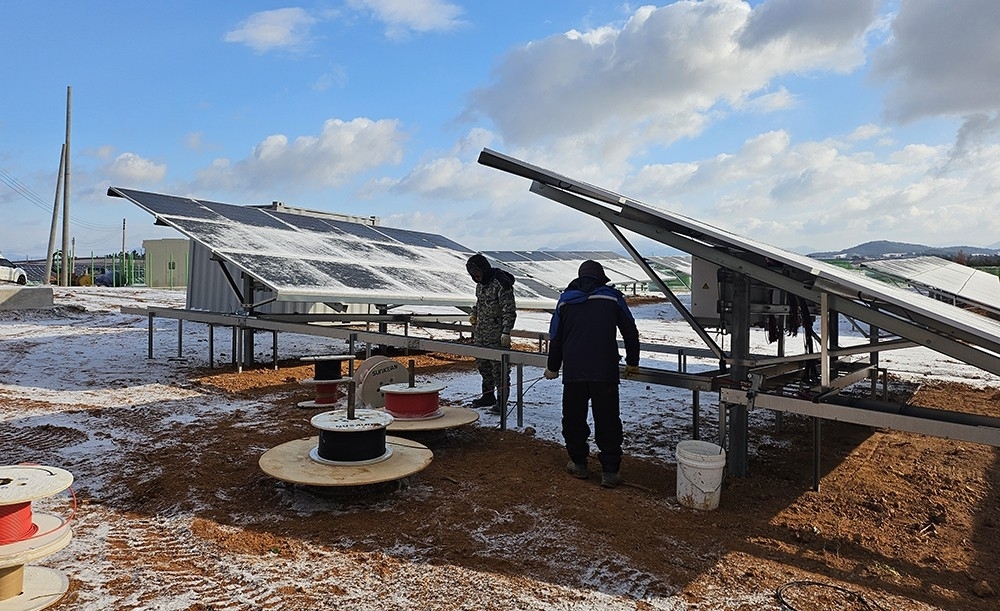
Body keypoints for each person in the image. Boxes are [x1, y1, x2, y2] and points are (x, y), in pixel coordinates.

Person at [544, 260, 640, 488]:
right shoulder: (612, 297)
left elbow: (556, 337)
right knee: (607, 420)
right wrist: (633, 362)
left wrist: (553, 367)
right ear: (601, 278)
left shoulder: (565, 301)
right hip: (604, 371)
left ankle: (579, 464)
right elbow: (630, 330)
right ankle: (610, 471)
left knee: (574, 419)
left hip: (574, 372)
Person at [466, 253, 517, 412]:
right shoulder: (480, 284)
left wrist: (506, 332)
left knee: (499, 370)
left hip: (497, 336)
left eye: (478, 274)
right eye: (473, 276)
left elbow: (509, 310)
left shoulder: (501, 284)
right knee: (484, 366)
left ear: (484, 269)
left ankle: (502, 403)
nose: (476, 278)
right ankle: (488, 396)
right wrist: (474, 314)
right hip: (482, 334)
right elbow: (479, 302)